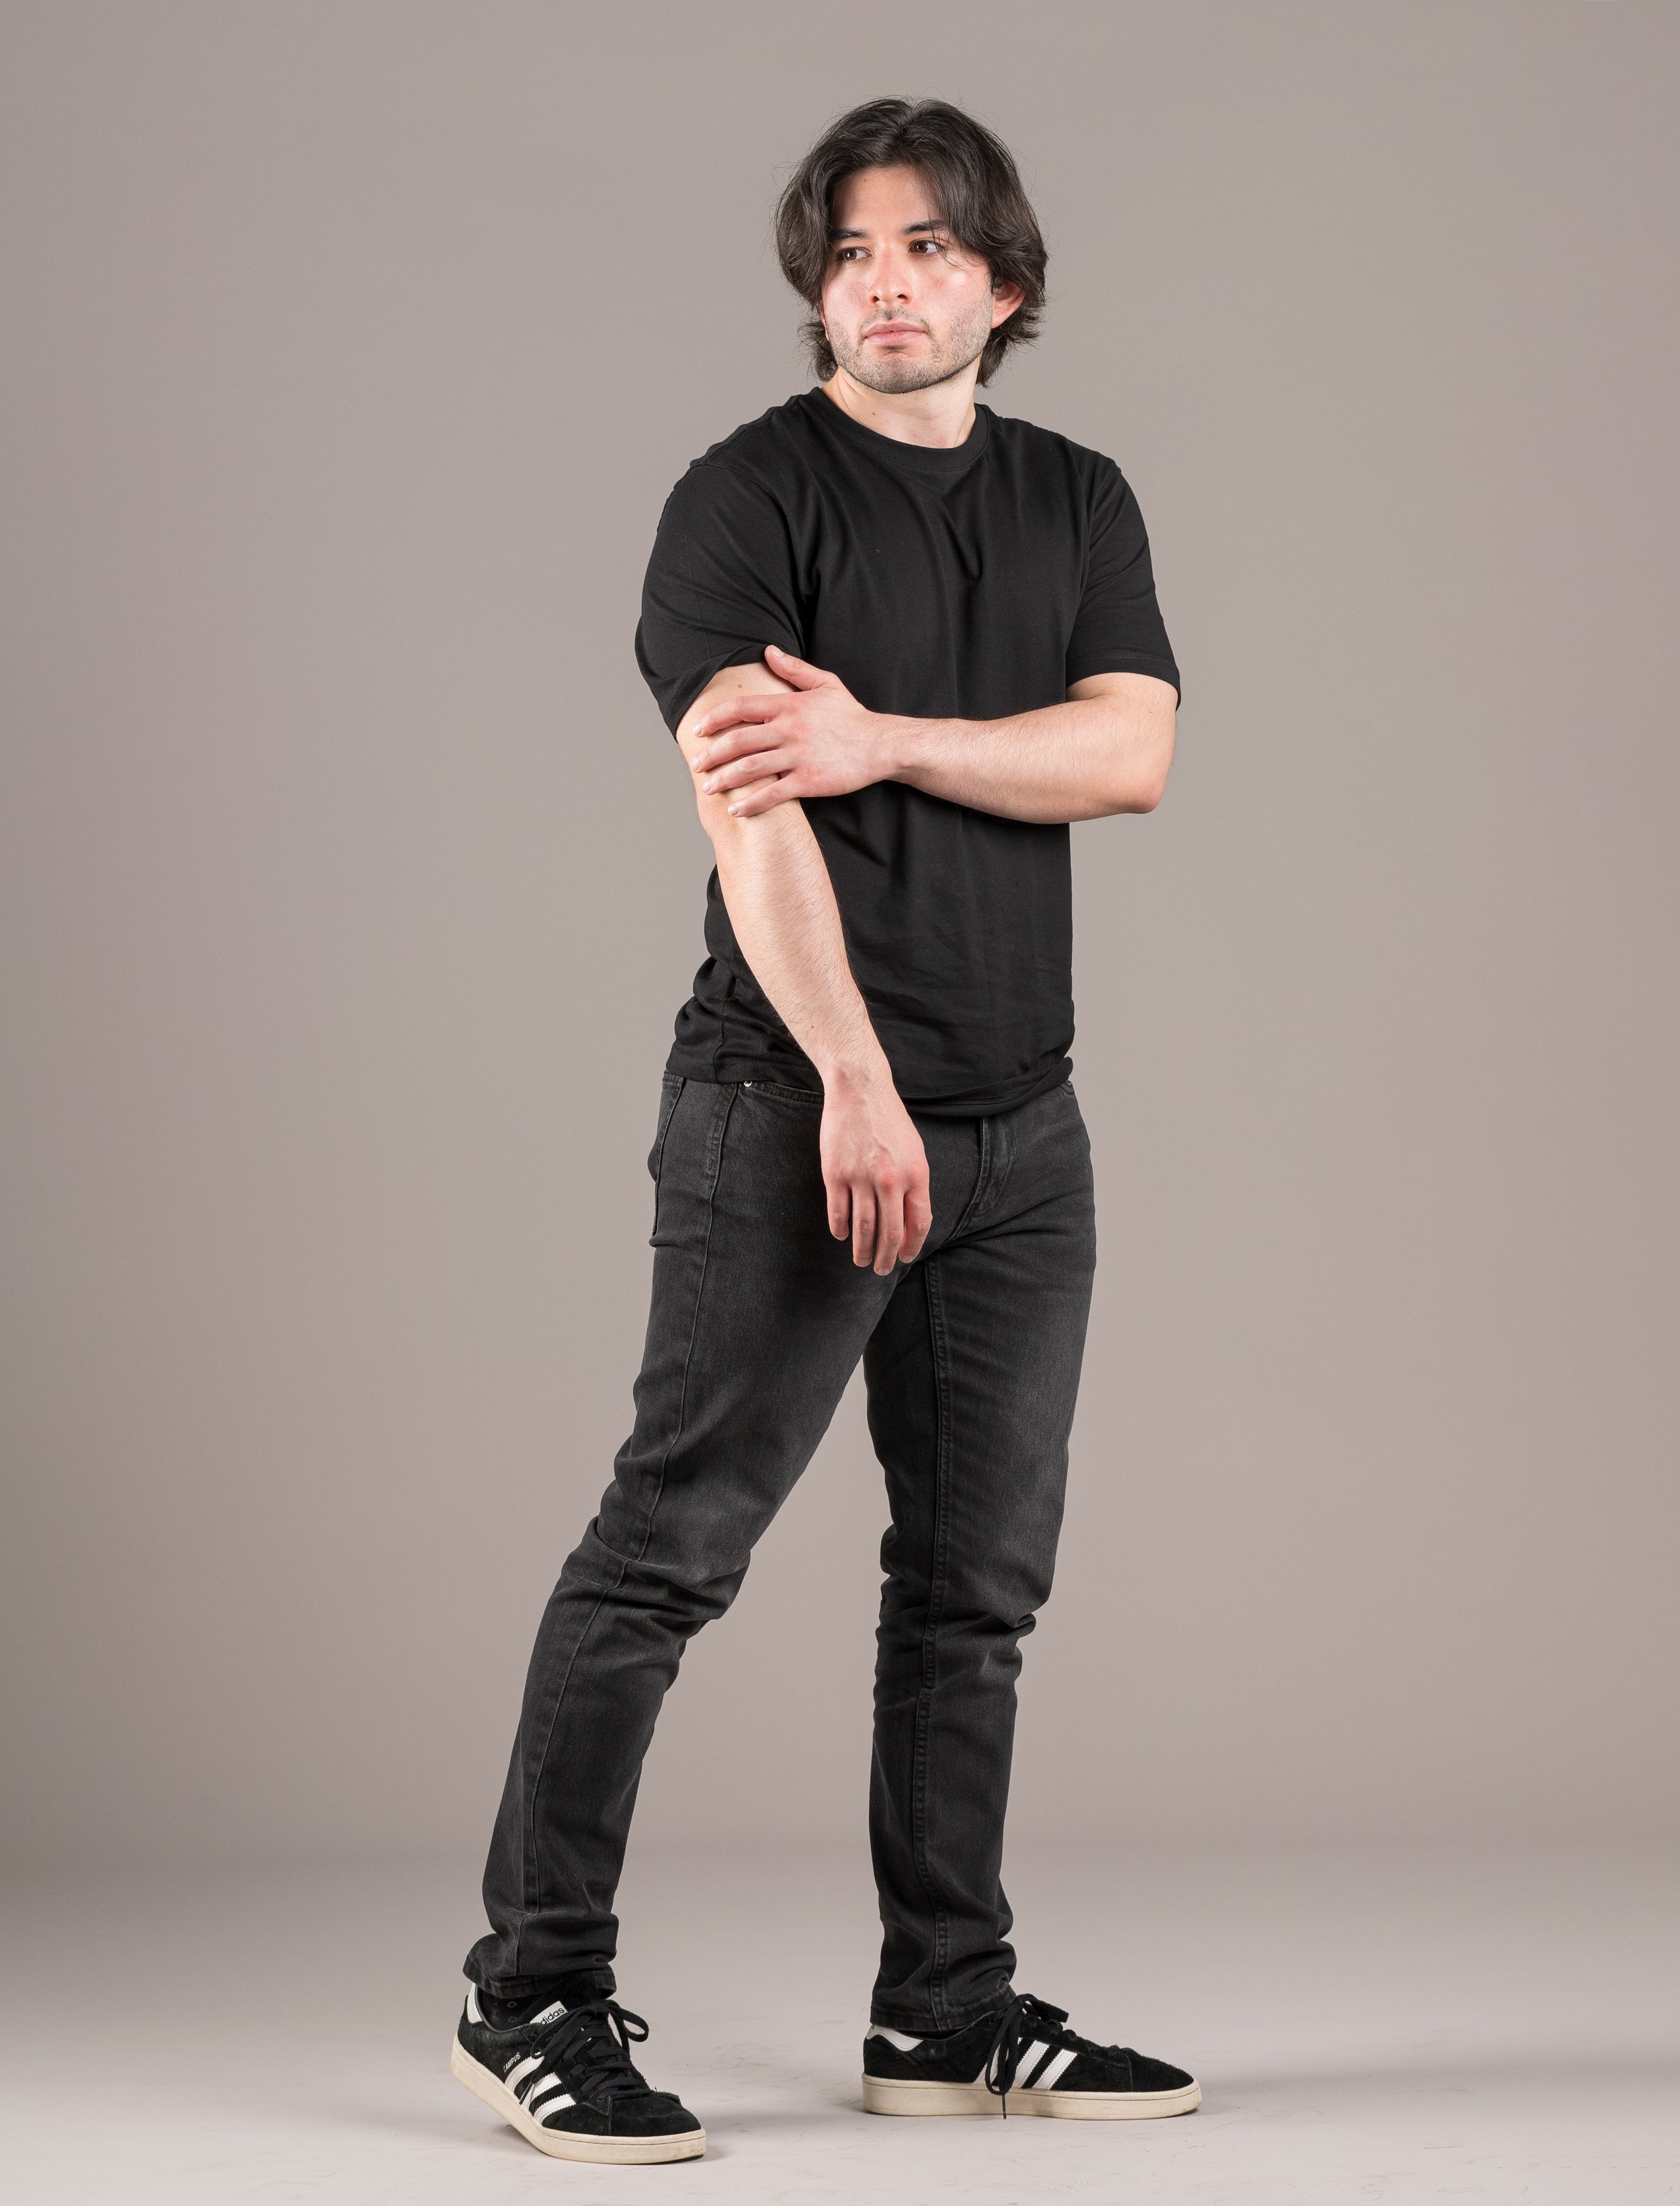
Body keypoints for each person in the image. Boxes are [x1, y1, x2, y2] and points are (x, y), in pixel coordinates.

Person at [449, 95, 1198, 2166]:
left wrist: (886, 734)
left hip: (1021, 1126)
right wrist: (855, 1082)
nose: (888, 282)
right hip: (795, 1101)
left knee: (972, 1590)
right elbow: (748, 814)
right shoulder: (745, 500)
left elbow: (1129, 749)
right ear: (815, 283)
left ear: (1003, 282)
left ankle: (942, 2009)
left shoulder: (1075, 497)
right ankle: (529, 1989)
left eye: (929, 245)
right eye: (853, 249)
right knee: (667, 1546)